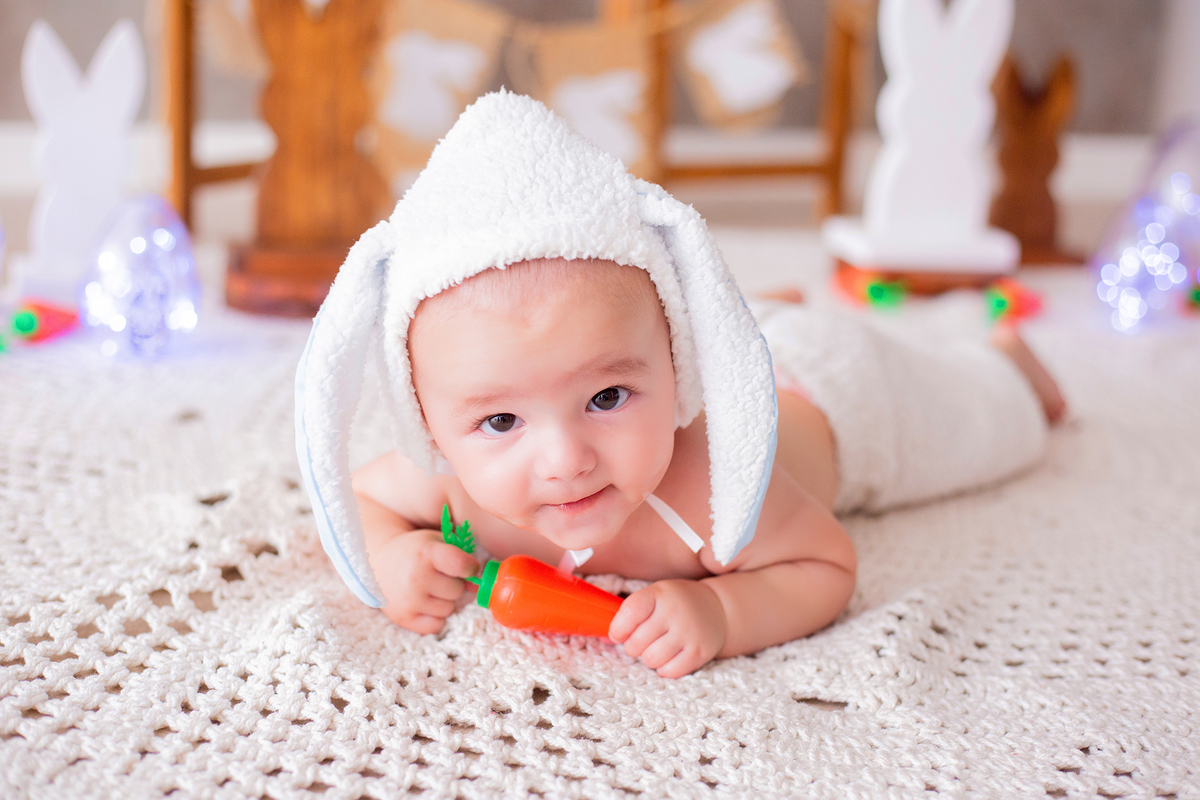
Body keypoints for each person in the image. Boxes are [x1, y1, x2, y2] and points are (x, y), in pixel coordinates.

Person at [294, 91, 1065, 679]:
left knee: (979, 420)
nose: (565, 460)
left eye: (605, 399)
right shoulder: (446, 486)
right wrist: (393, 558)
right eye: (500, 422)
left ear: (681, 368)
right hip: (712, 337)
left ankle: (1005, 359)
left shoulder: (713, 490)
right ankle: (764, 307)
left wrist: (723, 609)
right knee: (633, 332)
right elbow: (355, 502)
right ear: (427, 424)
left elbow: (826, 566)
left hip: (829, 392)